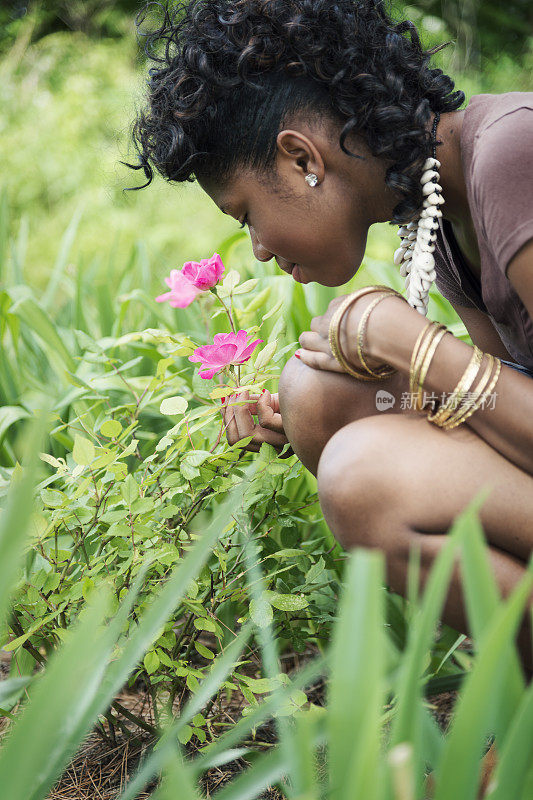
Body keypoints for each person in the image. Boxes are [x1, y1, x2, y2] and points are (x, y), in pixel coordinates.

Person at [127, 0, 533, 674]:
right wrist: (345, 408)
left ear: (300, 159)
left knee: (362, 479)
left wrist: (414, 347)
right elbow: (502, 409)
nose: (256, 249)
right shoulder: (447, 199)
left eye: (245, 215)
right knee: (318, 391)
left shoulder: (512, 156)